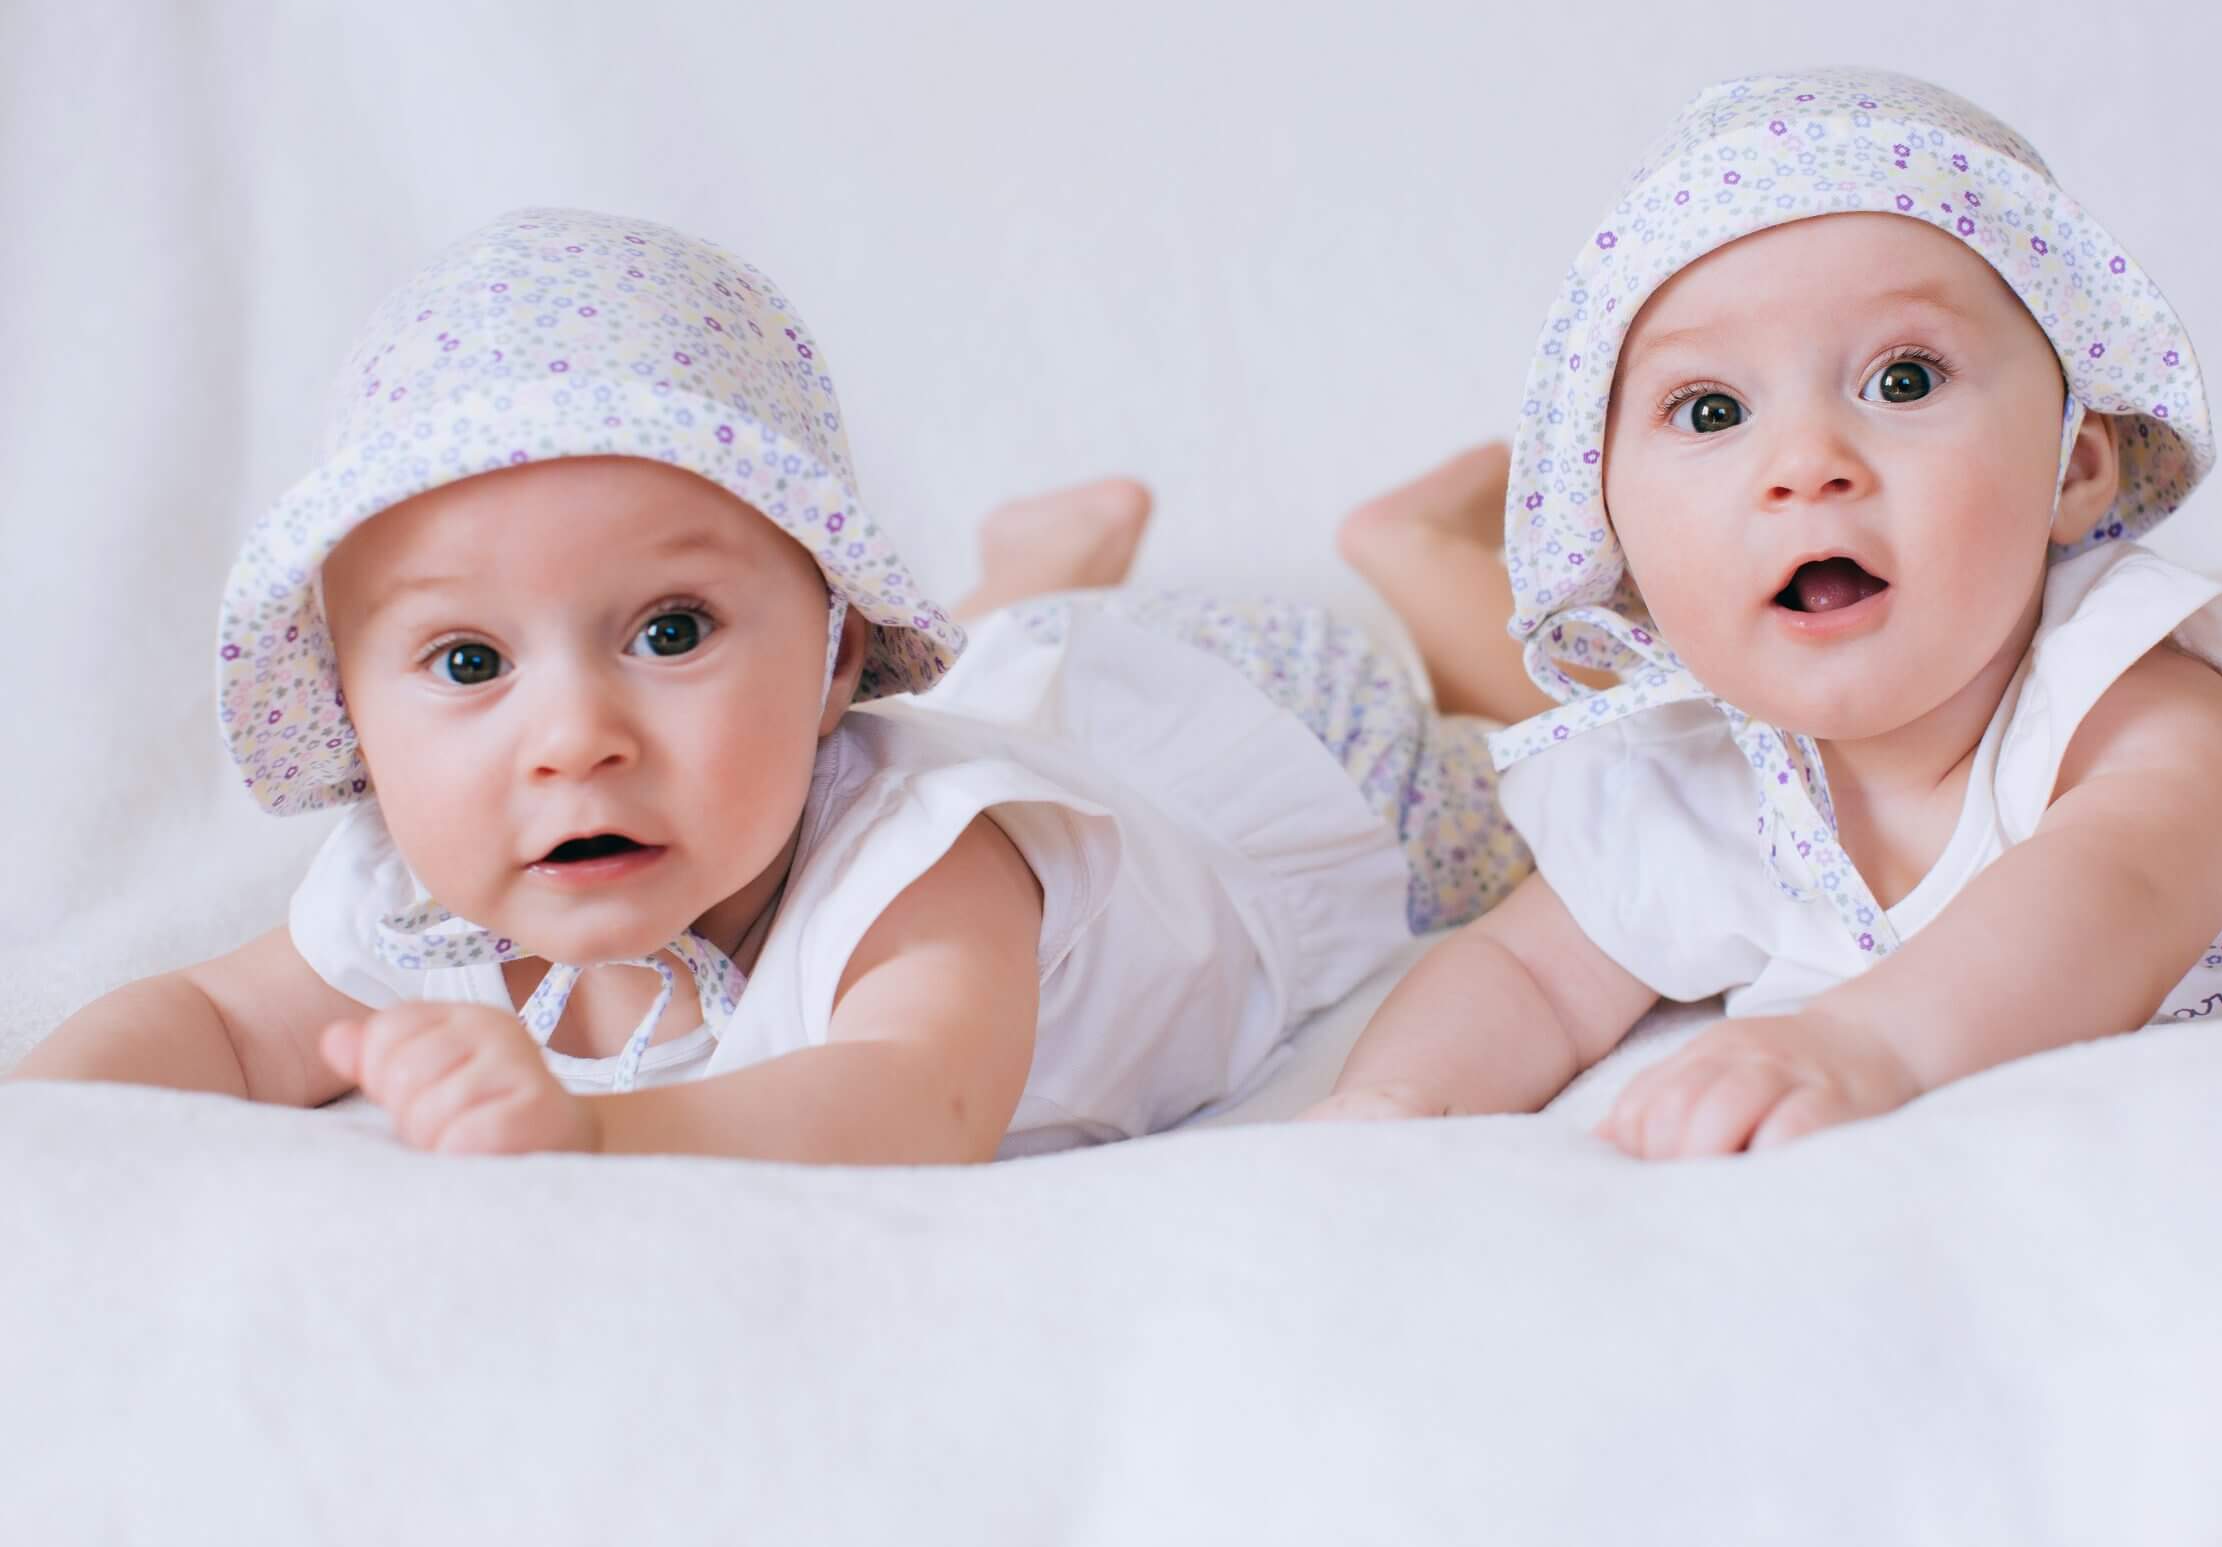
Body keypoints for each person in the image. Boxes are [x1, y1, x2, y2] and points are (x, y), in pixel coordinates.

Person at [9, 208, 1530, 1162]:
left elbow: (910, 1102)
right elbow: (210, 1018)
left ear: (833, 653)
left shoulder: (931, 868)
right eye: (467, 661)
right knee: (1019, 654)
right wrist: (49, 1127)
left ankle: (1421, 559)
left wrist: (599, 1130)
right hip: (1017, 679)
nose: (575, 741)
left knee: (1524, 795)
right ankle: (1034, 575)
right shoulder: (425, 890)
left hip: (1259, 737)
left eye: (669, 630)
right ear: (355, 713)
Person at [1308, 66, 2222, 1158]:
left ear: (2073, 467)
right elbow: (1524, 974)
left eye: (1901, 379)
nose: (1804, 461)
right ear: (1615, 536)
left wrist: (1868, 1048)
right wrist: (1392, 1104)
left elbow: (2114, 886)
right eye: (1710, 411)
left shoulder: (2140, 707)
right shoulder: (1695, 782)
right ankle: (1427, 553)